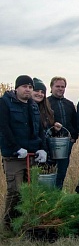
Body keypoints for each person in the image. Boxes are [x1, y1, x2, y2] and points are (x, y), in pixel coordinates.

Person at [0, 75, 47, 229]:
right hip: (14, 156)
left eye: (30, 87)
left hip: (32, 154)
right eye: (24, 86)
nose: (28, 89)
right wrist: (15, 148)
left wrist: (42, 148)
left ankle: (25, 222)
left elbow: (39, 129)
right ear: (17, 88)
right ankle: (8, 224)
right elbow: (4, 128)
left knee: (30, 191)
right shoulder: (5, 102)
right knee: (15, 191)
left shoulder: (33, 105)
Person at [48, 76, 78, 189]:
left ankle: (58, 195)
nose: (60, 89)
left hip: (66, 143)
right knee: (50, 171)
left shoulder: (69, 104)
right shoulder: (46, 103)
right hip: (50, 143)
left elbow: (75, 122)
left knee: (62, 171)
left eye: (63, 86)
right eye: (57, 86)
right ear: (51, 87)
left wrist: (73, 137)